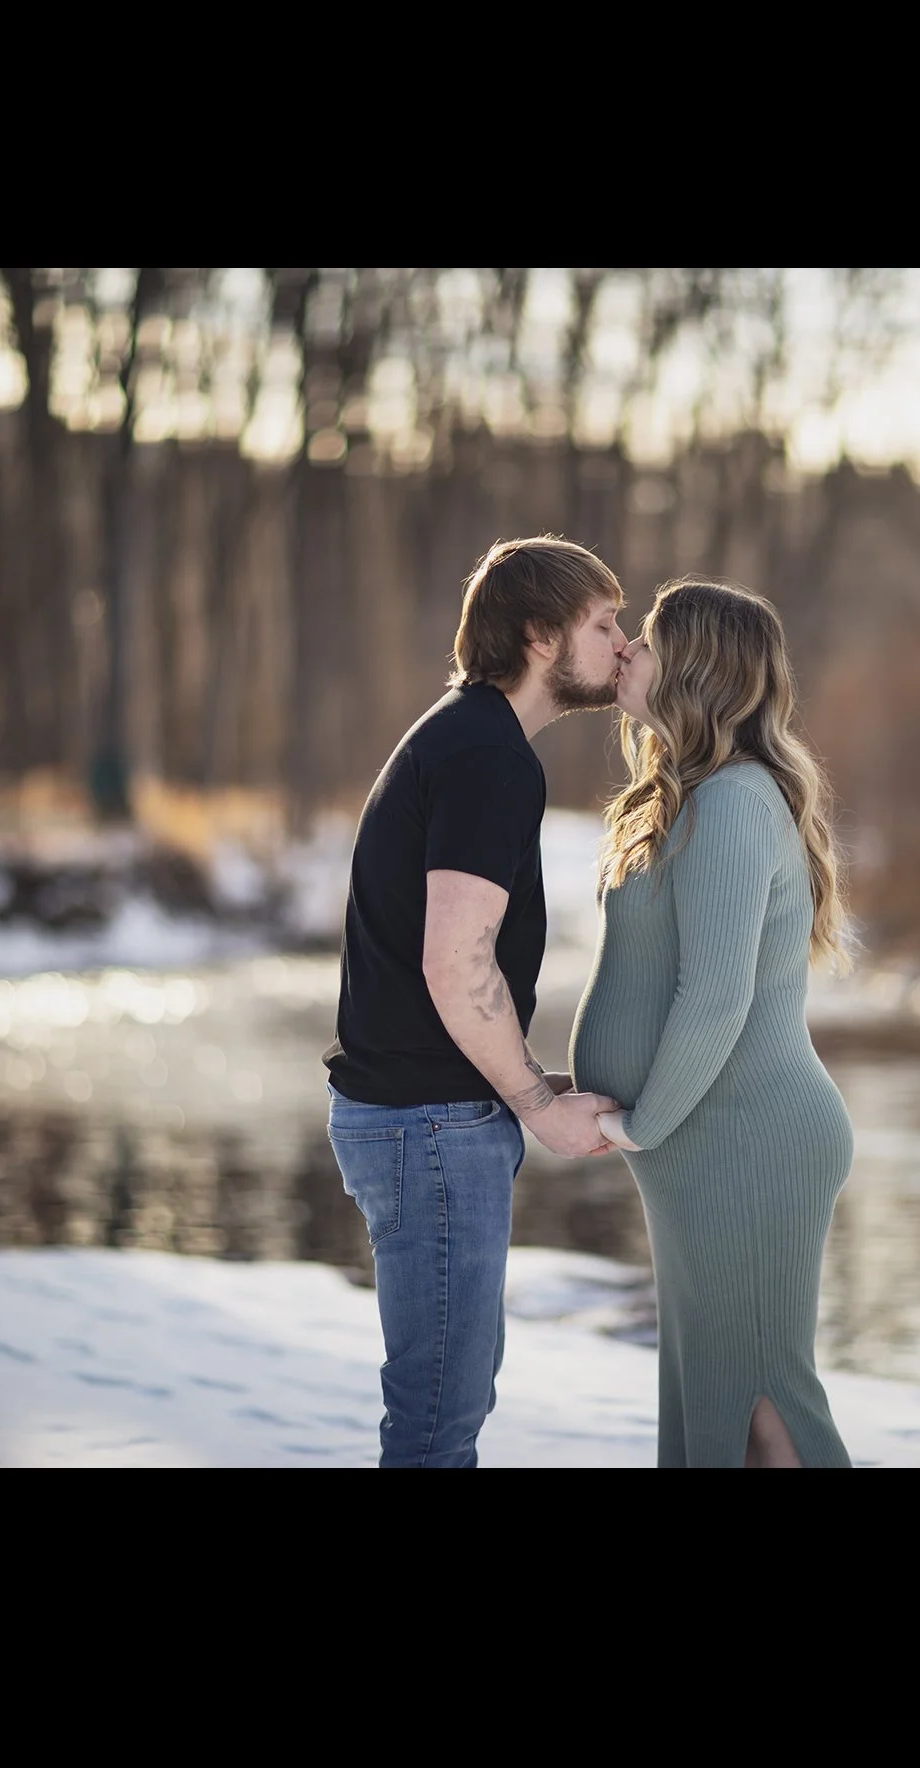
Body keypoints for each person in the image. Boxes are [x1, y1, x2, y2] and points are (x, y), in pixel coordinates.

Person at [324, 535, 628, 1468]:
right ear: (542, 634)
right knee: (437, 1420)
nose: (624, 643)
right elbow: (456, 964)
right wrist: (535, 1102)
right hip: (429, 1124)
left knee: (449, 1396)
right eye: (605, 623)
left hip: (419, 1117)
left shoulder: (463, 737)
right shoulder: (487, 754)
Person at [570, 578, 856, 1468]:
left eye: (646, 641)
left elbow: (717, 996)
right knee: (716, 1404)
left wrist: (640, 1123)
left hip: (749, 1143)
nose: (628, 653)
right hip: (705, 1146)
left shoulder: (733, 802)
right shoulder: (692, 797)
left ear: (694, 670)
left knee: (764, 1409)